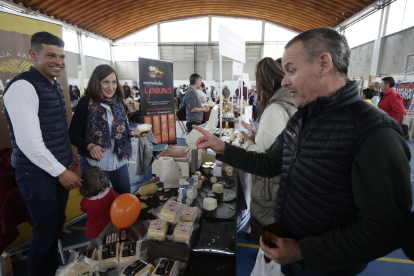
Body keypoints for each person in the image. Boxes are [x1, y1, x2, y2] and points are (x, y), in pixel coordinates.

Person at [193, 27, 412, 276]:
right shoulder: (301, 119)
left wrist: (304, 251)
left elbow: (387, 228)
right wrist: (224, 148)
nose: (285, 81)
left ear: (323, 64)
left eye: (291, 70)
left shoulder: (374, 132)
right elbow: (270, 163)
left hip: (325, 267)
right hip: (288, 254)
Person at [3, 31, 82, 276]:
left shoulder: (54, 84)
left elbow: (56, 129)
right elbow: (29, 142)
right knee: (45, 233)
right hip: (36, 174)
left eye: (61, 56)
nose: (58, 61)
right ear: (33, 55)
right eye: (51, 55)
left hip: (55, 170)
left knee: (55, 226)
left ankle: (52, 270)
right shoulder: (23, 86)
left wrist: (71, 156)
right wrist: (60, 171)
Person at [242, 57, 297, 244]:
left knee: (269, 241)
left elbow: (263, 157)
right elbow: (280, 142)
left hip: (271, 189)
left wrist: (247, 142)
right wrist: (258, 133)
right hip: (286, 186)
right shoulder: (291, 102)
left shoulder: (275, 108)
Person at [69, 64, 134, 194]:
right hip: (94, 164)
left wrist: (133, 134)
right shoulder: (86, 103)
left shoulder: (119, 102)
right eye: (105, 82)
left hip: (119, 161)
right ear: (96, 83)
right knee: (99, 202)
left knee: (125, 196)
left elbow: (120, 129)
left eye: (114, 82)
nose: (111, 87)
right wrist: (90, 146)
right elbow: (73, 134)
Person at [80, 166, 119, 239]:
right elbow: (119, 202)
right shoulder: (112, 194)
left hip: (95, 232)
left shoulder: (85, 202)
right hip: (111, 228)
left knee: (96, 248)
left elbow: (83, 209)